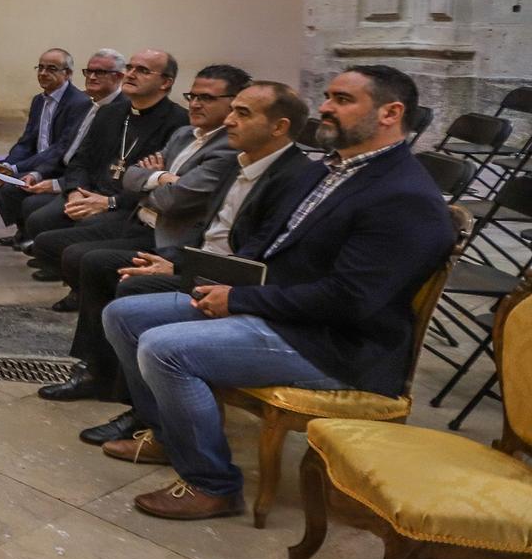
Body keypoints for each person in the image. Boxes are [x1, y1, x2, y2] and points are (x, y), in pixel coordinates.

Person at [98, 66, 455, 520]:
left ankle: (212, 484)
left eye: (343, 100)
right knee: (124, 314)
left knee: (164, 348)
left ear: (391, 113)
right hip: (283, 312)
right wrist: (186, 267)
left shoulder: (403, 196)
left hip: (335, 344)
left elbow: (350, 300)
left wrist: (239, 300)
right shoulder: (330, 168)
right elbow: (263, 244)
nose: (325, 106)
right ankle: (171, 436)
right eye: (327, 96)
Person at [74, 81, 322, 443]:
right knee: (118, 297)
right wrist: (172, 261)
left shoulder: (294, 177)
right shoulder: (239, 159)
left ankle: (165, 430)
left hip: (232, 283)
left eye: (242, 113)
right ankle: (147, 415)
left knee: (132, 296)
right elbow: (203, 228)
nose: (230, 121)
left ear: (279, 127)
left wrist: (178, 269)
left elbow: (255, 252)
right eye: (233, 109)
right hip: (195, 260)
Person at [26, 64, 246, 288]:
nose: (195, 104)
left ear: (166, 82)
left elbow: (172, 200)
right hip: (131, 211)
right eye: (193, 96)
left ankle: (86, 292)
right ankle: (81, 288)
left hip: (160, 228)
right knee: (47, 236)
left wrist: (135, 189)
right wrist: (160, 178)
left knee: (81, 252)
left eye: (207, 98)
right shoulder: (183, 133)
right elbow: (129, 175)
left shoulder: (184, 125)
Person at [17, 49, 185, 245]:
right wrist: (75, 192)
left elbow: (158, 183)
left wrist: (109, 202)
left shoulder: (178, 122)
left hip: (126, 202)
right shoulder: (109, 112)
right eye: (130, 68)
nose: (130, 74)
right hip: (90, 189)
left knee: (79, 230)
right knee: (39, 220)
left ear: (166, 82)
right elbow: (80, 159)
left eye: (142, 70)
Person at [0, 49, 125, 242]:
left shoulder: (103, 107)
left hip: (84, 183)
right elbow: (55, 147)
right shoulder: (90, 104)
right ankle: (29, 237)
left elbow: (88, 161)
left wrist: (60, 185)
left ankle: (38, 244)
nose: (92, 77)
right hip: (66, 172)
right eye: (89, 72)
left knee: (32, 207)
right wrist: (21, 168)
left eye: (100, 73)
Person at [0, 48, 90, 219]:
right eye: (40, 68)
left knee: (11, 187)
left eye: (51, 69)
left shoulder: (78, 103)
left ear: (67, 73)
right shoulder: (38, 100)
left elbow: (60, 149)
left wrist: (15, 168)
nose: (43, 73)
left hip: (56, 166)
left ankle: (25, 231)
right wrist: (7, 165)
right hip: (35, 159)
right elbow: (26, 141)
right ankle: (19, 225)